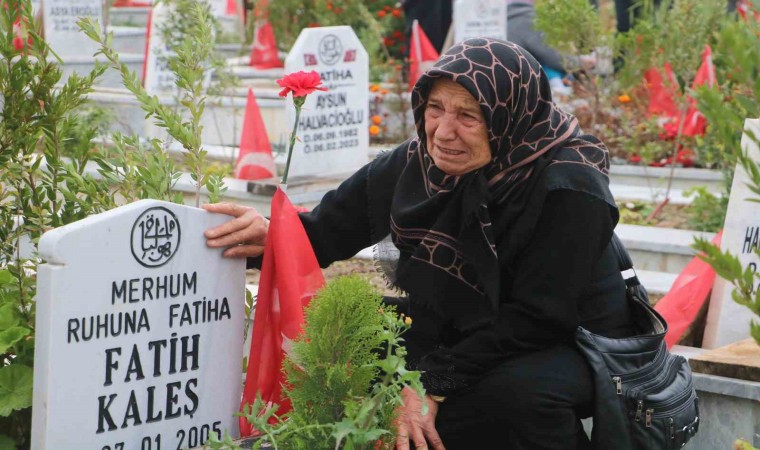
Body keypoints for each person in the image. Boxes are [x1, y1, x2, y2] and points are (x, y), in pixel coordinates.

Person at [204, 38, 635, 450]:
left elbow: (540, 315)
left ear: (508, 116)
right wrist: (268, 236)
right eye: (435, 109)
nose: (443, 132)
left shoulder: (569, 185)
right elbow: (324, 231)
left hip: (572, 339)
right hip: (467, 323)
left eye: (468, 116)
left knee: (512, 397)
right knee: (344, 338)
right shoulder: (417, 164)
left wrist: (432, 382)